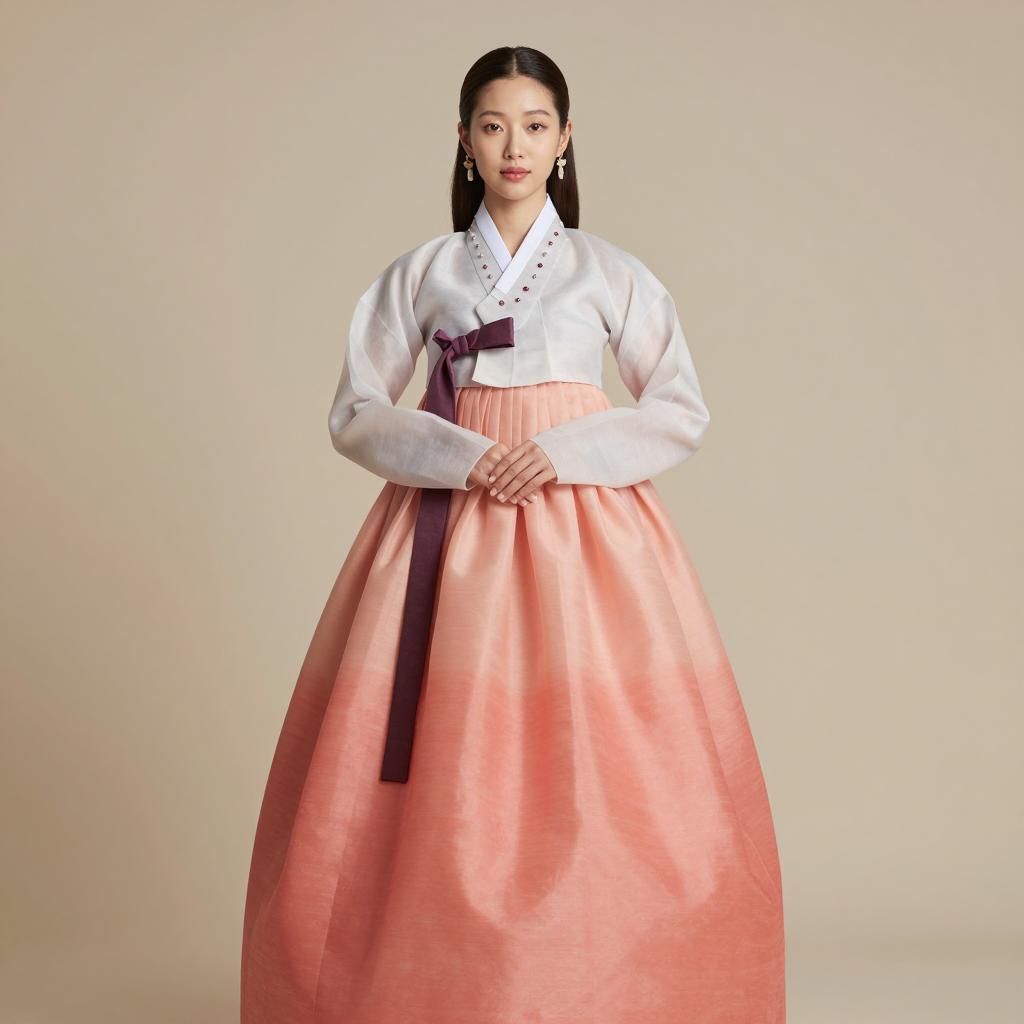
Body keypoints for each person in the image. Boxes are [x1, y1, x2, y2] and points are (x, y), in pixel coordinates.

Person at [240, 44, 785, 1024]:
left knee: (613, 755)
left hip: (587, 531)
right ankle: (428, 981)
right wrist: (456, 454)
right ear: (462, 141)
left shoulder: (608, 271)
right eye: (492, 125)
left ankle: (615, 983)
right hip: (448, 531)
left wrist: (568, 448)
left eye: (535, 125)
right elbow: (356, 410)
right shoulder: (425, 272)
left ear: (566, 139)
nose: (514, 145)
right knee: (445, 766)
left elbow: (678, 409)